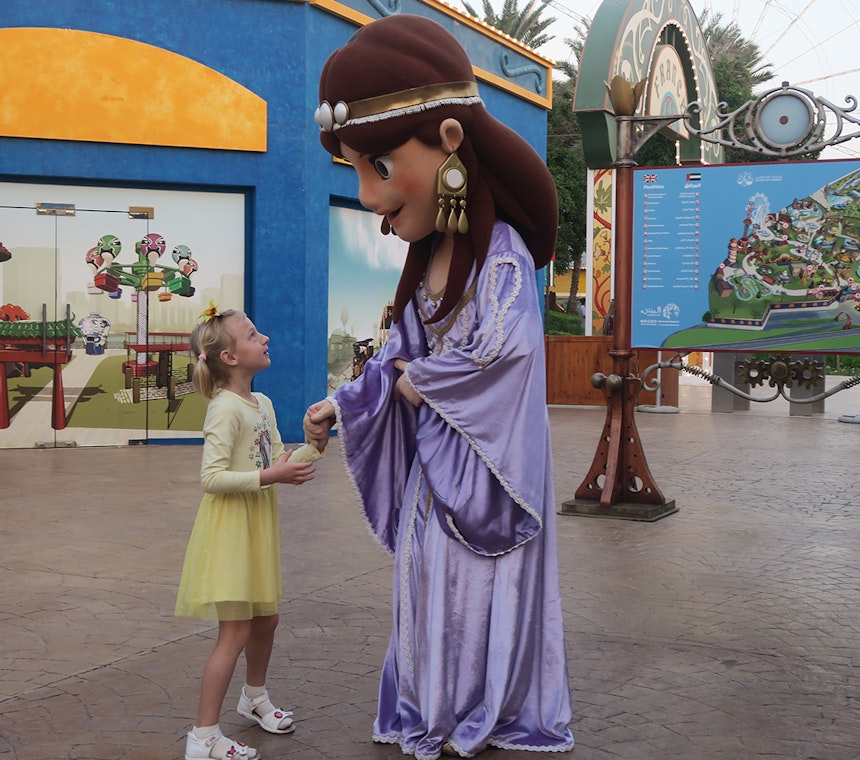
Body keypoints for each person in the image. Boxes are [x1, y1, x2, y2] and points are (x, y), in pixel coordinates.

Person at [305, 15, 574, 760]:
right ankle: (432, 707)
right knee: (426, 589)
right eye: (357, 171)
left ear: (451, 142)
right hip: (437, 471)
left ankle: (478, 709)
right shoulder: (428, 259)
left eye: (380, 168)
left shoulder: (505, 258)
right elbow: (399, 347)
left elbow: (508, 350)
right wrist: (346, 399)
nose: (365, 196)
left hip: (486, 467)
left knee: (472, 593)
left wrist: (420, 383)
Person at [176, 303, 326, 760]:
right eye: (253, 334)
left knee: (267, 618)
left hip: (257, 525)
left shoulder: (262, 403)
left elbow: (277, 459)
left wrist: (312, 444)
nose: (264, 338)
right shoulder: (224, 410)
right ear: (230, 358)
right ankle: (203, 737)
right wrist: (269, 478)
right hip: (230, 531)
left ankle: (254, 697)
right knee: (235, 630)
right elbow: (211, 478)